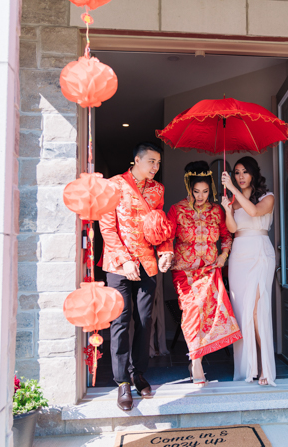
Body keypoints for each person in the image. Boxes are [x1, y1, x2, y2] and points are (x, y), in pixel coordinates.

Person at [99, 142, 174, 411]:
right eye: (152, 161)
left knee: (144, 320)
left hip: (147, 264)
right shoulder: (113, 185)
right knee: (120, 322)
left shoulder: (158, 190)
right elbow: (107, 228)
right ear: (137, 160)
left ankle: (138, 373)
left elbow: (159, 225)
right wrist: (124, 260)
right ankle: (122, 382)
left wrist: (165, 252)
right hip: (119, 264)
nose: (156, 167)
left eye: (158, 163)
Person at [166, 161, 242, 386]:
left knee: (206, 315)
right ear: (188, 188)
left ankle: (196, 362)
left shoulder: (217, 210)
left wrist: (224, 255)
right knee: (192, 311)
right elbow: (168, 238)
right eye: (196, 191)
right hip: (184, 272)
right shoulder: (177, 210)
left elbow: (227, 236)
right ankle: (196, 360)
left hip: (209, 270)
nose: (200, 196)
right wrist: (165, 256)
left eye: (205, 191)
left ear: (211, 190)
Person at [220, 156, 276, 386]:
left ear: (253, 173)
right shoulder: (234, 202)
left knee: (256, 311)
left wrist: (232, 189)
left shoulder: (267, 197)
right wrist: (227, 210)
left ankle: (264, 365)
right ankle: (248, 367)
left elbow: (253, 212)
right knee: (242, 312)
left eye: (244, 172)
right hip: (239, 256)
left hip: (260, 253)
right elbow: (232, 229)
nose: (240, 176)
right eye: (236, 172)